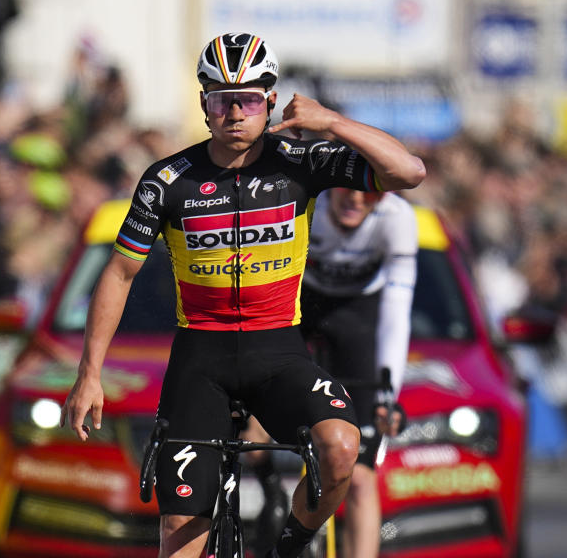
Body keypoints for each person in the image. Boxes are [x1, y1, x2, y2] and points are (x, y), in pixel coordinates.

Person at [60, 32, 425, 558]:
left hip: (277, 352)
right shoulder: (166, 181)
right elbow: (118, 274)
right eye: (221, 99)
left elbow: (409, 171)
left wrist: (333, 124)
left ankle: (287, 548)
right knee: (180, 537)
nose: (235, 112)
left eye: (249, 99)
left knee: (343, 448)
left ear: (270, 102)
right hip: (199, 360)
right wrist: (89, 373)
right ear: (204, 105)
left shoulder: (301, 161)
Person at [300, 187, 417, 557]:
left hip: (360, 317)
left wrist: (388, 396)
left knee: (362, 477)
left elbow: (396, 314)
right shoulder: (308, 204)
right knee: (252, 425)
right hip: (300, 306)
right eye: (346, 191)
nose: (355, 200)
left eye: (370, 195)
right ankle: (270, 485)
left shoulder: (398, 217)